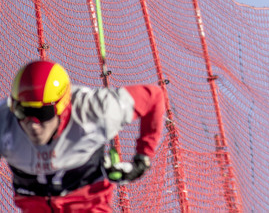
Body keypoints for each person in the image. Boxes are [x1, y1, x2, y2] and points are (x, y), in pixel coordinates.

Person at [0, 59, 166, 212]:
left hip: (87, 203)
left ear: (63, 105)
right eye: (23, 111)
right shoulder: (4, 123)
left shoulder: (95, 111)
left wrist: (143, 158)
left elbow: (153, 97)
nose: (33, 124)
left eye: (43, 113)